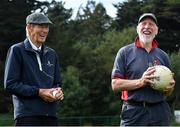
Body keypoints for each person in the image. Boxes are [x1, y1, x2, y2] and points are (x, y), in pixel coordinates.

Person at [111, 13, 175, 126]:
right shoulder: (125, 52)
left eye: (151, 24)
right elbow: (115, 85)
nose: (147, 26)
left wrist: (169, 87)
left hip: (159, 112)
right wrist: (141, 82)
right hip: (133, 112)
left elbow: (168, 92)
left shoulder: (163, 55)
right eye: (143, 23)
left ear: (156, 31)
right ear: (137, 29)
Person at [4, 12, 64, 126]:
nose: (45, 31)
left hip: (51, 116)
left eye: (46, 27)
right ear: (29, 27)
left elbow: (57, 83)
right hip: (27, 117)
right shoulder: (16, 50)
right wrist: (39, 92)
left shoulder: (52, 53)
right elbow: (10, 84)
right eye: (41, 26)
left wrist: (57, 92)